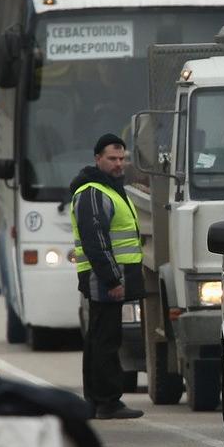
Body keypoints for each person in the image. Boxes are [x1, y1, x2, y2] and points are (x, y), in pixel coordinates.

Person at [69, 133, 145, 420]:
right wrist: (112, 280)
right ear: (97, 159)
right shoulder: (93, 192)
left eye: (121, 158)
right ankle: (107, 401)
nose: (118, 164)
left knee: (100, 338)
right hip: (104, 279)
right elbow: (95, 241)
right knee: (105, 340)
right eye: (112, 159)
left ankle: (96, 401)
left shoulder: (109, 188)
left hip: (109, 277)